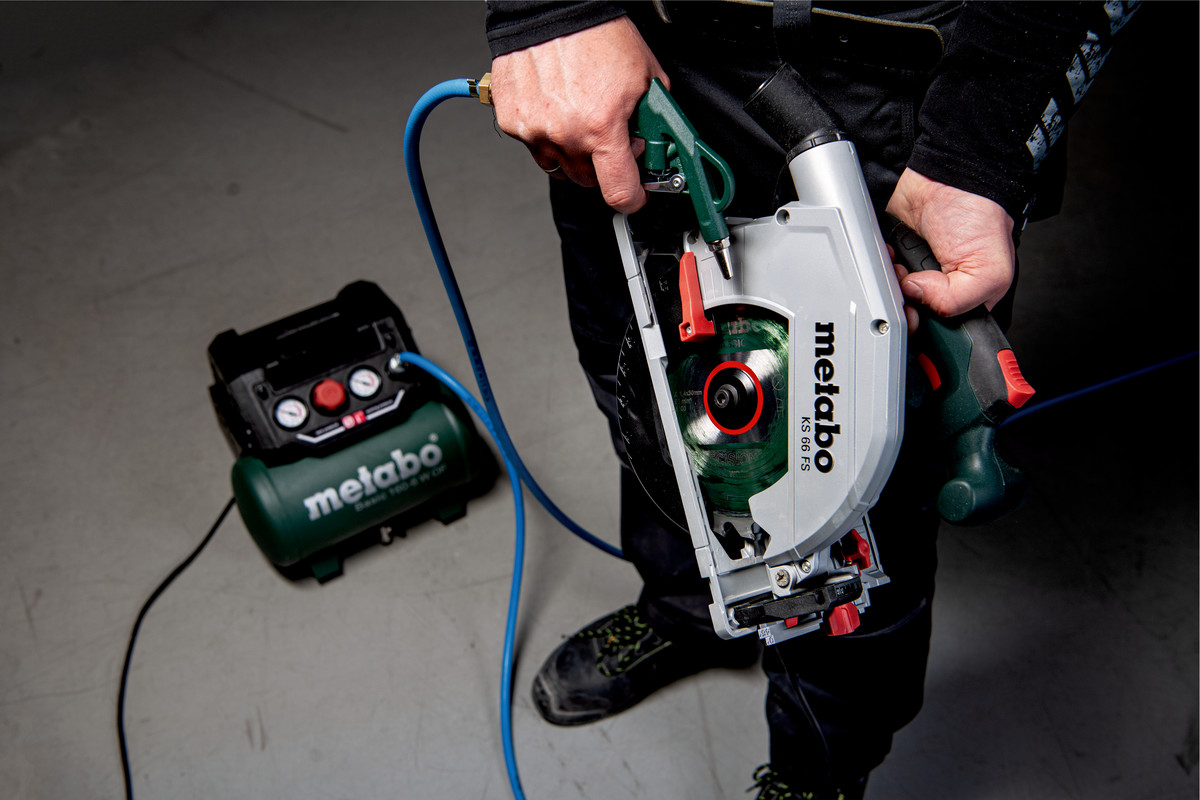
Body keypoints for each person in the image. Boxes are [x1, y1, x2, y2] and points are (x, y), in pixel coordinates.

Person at [484, 3, 1137, 797]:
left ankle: (817, 770)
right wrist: (554, 11)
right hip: (634, 60)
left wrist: (977, 147)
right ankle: (688, 609)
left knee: (856, 512)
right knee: (657, 416)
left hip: (882, 81)